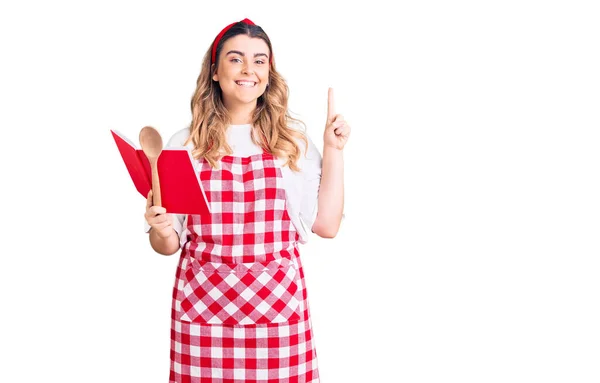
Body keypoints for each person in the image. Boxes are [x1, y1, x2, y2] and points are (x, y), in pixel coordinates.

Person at [144, 18, 350, 383]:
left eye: (260, 60)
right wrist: (159, 227)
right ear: (215, 71)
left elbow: (327, 226)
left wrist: (333, 149)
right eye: (235, 59)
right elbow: (169, 244)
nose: (248, 70)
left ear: (269, 72)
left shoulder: (292, 142)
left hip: (277, 313)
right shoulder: (183, 144)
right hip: (203, 314)